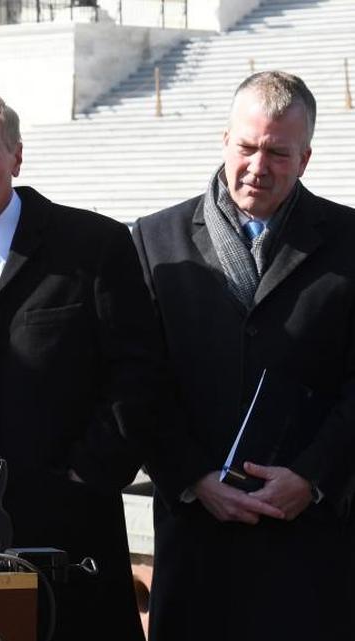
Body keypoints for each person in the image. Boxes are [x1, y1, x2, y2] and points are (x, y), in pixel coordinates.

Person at [0, 86, 161, 640]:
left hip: (71, 539)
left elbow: (138, 375)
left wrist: (83, 476)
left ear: (16, 156)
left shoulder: (94, 246)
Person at [132, 71, 355, 640]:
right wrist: (194, 477)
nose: (258, 166)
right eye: (247, 147)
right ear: (225, 140)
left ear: (305, 159)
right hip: (195, 536)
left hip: (310, 540)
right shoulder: (154, 240)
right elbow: (137, 382)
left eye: (278, 153)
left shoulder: (348, 240)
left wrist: (311, 476)